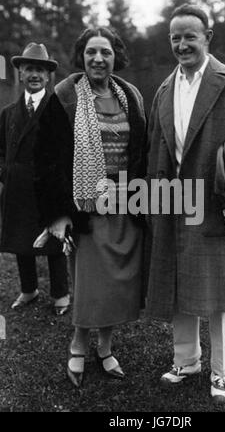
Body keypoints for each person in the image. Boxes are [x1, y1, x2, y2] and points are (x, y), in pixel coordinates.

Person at [145, 4, 225, 403]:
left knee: (217, 294)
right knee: (178, 285)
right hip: (171, 203)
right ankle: (187, 360)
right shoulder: (165, 88)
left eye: (190, 37)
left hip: (213, 206)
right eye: (175, 38)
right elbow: (154, 149)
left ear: (207, 38)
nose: (182, 44)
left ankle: (220, 372)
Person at [34, 27, 147, 387]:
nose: (99, 59)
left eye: (107, 52)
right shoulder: (65, 95)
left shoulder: (130, 95)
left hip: (125, 204)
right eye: (91, 52)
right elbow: (47, 158)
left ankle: (106, 346)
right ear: (81, 56)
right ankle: (78, 346)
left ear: (117, 57)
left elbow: (140, 152)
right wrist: (59, 212)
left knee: (118, 282)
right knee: (88, 283)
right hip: (85, 206)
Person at [0, 43, 70, 315]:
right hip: (17, 187)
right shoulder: (7, 114)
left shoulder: (58, 110)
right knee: (21, 241)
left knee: (54, 239)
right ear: (20, 73)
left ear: (48, 76)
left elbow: (66, 151)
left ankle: (60, 294)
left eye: (40, 69)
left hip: (48, 186)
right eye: (29, 69)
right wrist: (5, 172)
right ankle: (29, 290)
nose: (34, 75)